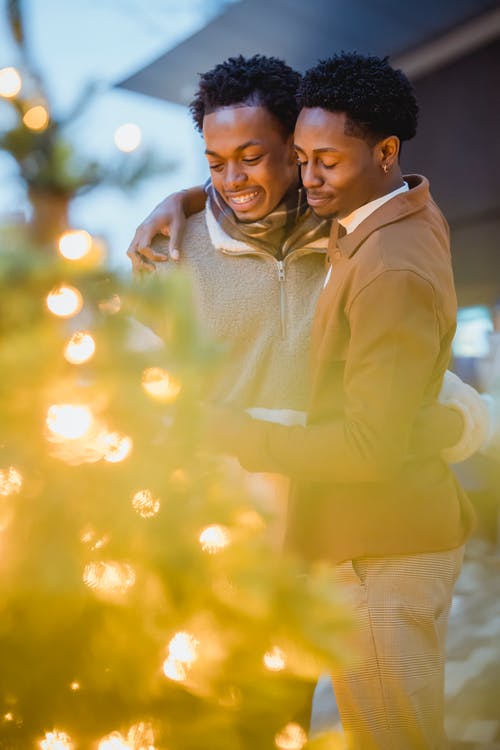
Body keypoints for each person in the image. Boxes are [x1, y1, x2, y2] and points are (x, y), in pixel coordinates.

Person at [127, 54, 489, 748]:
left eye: (254, 156)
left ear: (296, 149)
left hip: (343, 530)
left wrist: (459, 420)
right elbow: (143, 398)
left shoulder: (348, 229)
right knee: (245, 723)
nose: (232, 180)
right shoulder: (168, 256)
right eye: (215, 161)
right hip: (236, 543)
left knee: (349, 718)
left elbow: (403, 364)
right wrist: (180, 200)